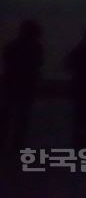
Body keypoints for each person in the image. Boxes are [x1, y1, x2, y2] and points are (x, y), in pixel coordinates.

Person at [0, 20, 43, 150]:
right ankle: (17, 144)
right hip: (27, 85)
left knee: (7, 115)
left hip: (12, 83)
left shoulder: (11, 46)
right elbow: (38, 63)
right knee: (22, 117)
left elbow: (7, 61)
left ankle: (3, 141)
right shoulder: (36, 48)